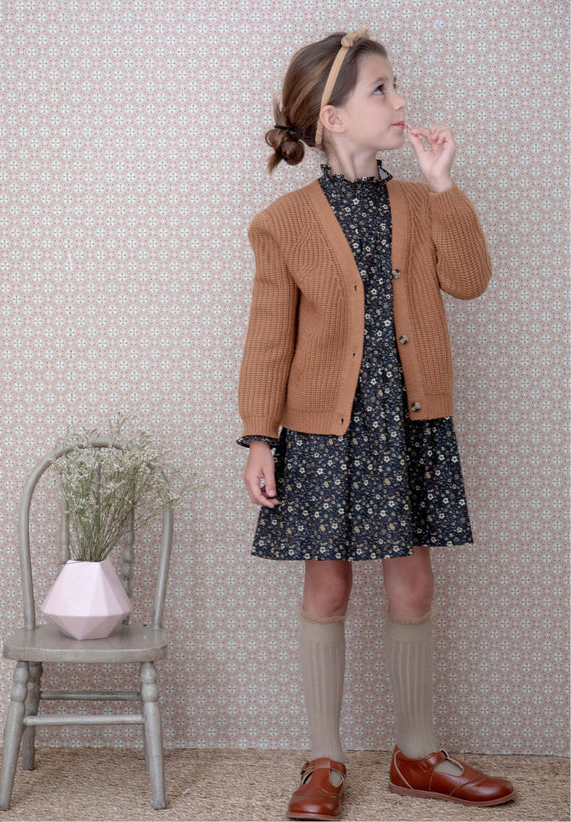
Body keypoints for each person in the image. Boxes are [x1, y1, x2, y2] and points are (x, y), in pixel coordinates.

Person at [237, 29, 515, 820]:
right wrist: (259, 438)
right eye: (382, 89)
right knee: (327, 586)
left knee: (413, 583)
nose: (401, 101)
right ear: (332, 117)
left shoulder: (419, 205)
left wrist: (443, 183)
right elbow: (269, 338)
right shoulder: (283, 222)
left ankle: (416, 754)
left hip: (407, 423)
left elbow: (470, 280)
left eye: (397, 86)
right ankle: (323, 760)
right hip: (323, 432)